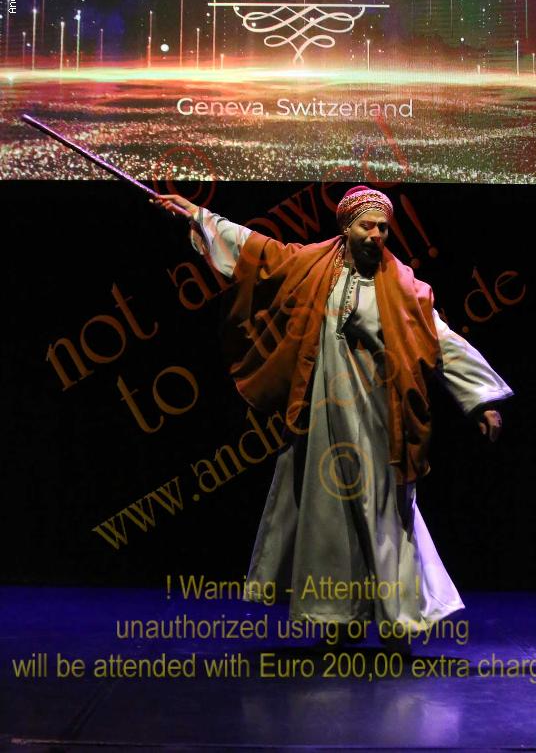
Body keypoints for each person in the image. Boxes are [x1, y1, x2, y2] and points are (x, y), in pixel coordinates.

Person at [154, 186, 513, 645]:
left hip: (379, 418)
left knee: (384, 513)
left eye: (383, 228)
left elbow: (441, 340)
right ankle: (336, 617)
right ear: (346, 228)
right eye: (367, 226)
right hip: (322, 413)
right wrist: (198, 214)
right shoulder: (312, 265)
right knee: (327, 515)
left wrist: (482, 400)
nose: (377, 235)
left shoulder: (405, 288)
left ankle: (400, 620)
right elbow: (257, 251)